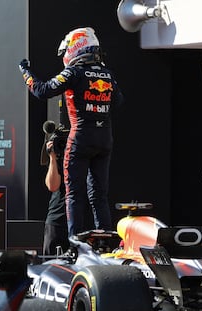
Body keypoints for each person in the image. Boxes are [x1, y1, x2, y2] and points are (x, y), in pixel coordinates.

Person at [19, 27, 124, 238]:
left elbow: (42, 90)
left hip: (81, 138)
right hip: (104, 138)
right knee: (99, 195)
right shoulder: (107, 74)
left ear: (75, 47)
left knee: (74, 193)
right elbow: (119, 101)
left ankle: (76, 243)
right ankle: (105, 241)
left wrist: (25, 72)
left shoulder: (74, 72)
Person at [42, 139, 69, 256]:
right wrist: (52, 157)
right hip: (58, 218)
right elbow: (52, 186)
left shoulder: (86, 155)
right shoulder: (58, 157)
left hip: (81, 219)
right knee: (51, 264)